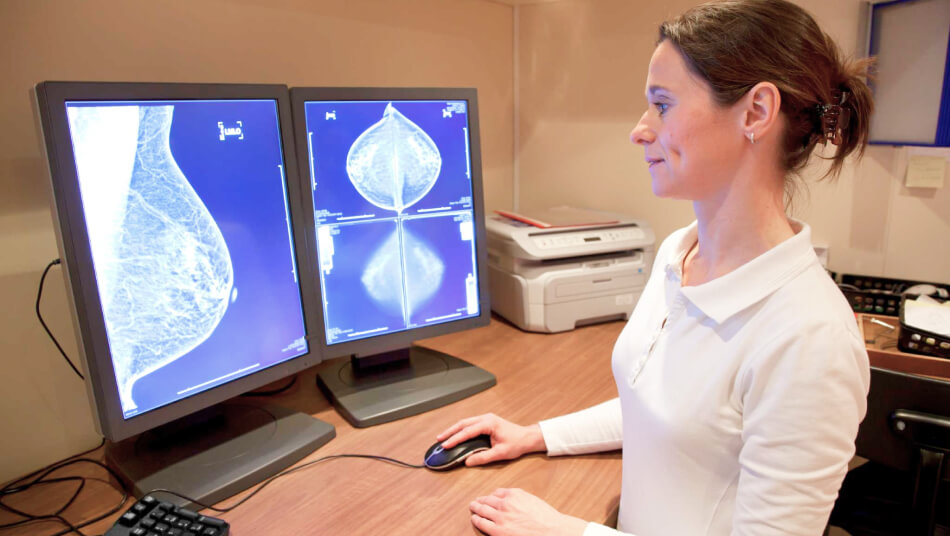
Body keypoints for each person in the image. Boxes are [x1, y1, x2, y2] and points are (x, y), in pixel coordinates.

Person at [436, 0, 874, 534]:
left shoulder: (811, 339)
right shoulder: (677, 254)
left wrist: (565, 532)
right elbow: (663, 414)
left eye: (662, 105)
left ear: (756, 112)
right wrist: (535, 434)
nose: (640, 130)